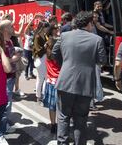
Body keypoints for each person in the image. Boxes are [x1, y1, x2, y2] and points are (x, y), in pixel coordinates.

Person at [52, 11, 106, 145]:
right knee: (80, 120)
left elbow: (54, 52)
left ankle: (62, 143)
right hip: (85, 84)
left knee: (63, 117)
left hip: (65, 81)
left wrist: (64, 64)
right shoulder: (97, 39)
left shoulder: (64, 36)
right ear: (88, 24)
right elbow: (102, 60)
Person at [0, 19, 21, 145]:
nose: (13, 27)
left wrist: (15, 53)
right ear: (5, 29)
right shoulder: (0, 43)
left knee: (7, 106)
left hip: (10, 78)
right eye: (11, 26)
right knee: (4, 107)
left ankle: (3, 127)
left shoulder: (10, 41)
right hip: (3, 79)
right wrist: (13, 59)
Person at [43, 24, 61, 134]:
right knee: (62, 107)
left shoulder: (48, 54)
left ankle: (53, 125)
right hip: (59, 81)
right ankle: (62, 125)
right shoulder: (58, 57)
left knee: (52, 106)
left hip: (50, 81)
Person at [32, 20, 50, 104]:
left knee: (45, 78)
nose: (47, 29)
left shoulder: (45, 35)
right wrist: (45, 46)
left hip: (44, 58)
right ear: (43, 27)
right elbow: (38, 49)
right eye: (46, 27)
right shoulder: (38, 36)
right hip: (40, 59)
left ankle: (43, 95)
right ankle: (39, 96)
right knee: (41, 78)